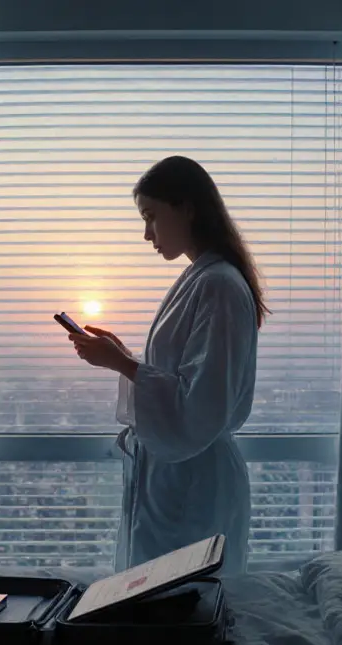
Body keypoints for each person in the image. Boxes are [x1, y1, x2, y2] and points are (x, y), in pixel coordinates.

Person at [69, 155, 266, 574]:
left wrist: (124, 365)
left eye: (152, 217)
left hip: (194, 483)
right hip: (179, 478)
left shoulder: (218, 286)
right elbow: (185, 381)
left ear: (187, 208)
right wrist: (124, 359)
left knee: (181, 607)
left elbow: (201, 406)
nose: (146, 234)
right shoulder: (202, 279)